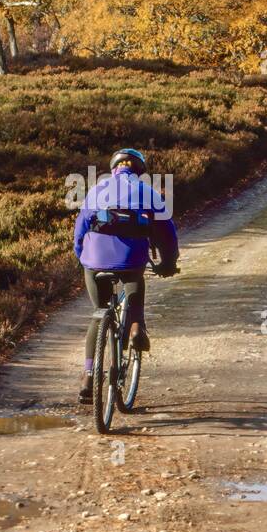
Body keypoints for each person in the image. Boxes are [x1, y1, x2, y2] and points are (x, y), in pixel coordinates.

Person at [72, 148, 178, 401]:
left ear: (113, 168)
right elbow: (166, 233)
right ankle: (136, 326)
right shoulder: (148, 192)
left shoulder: (97, 190)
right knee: (134, 283)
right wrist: (168, 263)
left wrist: (82, 257)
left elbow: (80, 230)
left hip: (95, 260)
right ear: (139, 170)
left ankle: (89, 376)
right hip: (132, 258)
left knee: (99, 314)